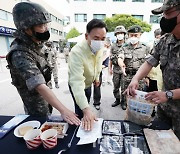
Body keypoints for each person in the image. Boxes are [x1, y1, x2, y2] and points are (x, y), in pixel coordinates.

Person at [6, 2, 80, 126]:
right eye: (41, 25)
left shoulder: (37, 43)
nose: (46, 28)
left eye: (46, 24)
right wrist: (64, 110)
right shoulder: (20, 52)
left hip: (47, 98)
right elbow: (39, 85)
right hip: (36, 105)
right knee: (40, 128)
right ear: (26, 28)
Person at [125, 0, 180, 139]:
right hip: (164, 108)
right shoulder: (165, 40)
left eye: (167, 13)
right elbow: (150, 62)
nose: (164, 18)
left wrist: (168, 94)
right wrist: (136, 79)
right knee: (158, 141)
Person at [68, 19, 107, 131]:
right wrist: (86, 109)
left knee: (86, 102)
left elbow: (98, 62)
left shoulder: (99, 48)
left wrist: (96, 77)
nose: (100, 42)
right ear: (86, 36)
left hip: (89, 83)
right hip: (78, 85)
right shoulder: (76, 52)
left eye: (103, 39)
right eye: (96, 38)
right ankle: (79, 131)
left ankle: (85, 120)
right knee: (81, 110)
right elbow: (77, 83)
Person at [119, 25, 150, 110]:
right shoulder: (124, 47)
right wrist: (121, 63)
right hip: (127, 74)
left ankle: (136, 107)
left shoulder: (145, 47)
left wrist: (147, 77)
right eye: (131, 35)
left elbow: (150, 62)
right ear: (128, 35)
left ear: (140, 35)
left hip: (140, 76)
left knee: (138, 93)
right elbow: (120, 57)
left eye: (136, 35)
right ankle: (124, 103)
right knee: (125, 91)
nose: (133, 37)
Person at [110, 25, 127, 107]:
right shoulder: (113, 46)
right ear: (115, 35)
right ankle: (117, 99)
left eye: (121, 33)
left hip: (124, 70)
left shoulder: (128, 45)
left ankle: (123, 102)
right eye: (118, 33)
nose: (120, 35)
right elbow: (111, 58)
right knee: (116, 86)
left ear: (124, 34)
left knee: (124, 87)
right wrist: (109, 69)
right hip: (116, 69)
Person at [93, 37, 111, 110]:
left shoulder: (106, 54)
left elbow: (106, 64)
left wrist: (99, 66)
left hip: (98, 72)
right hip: (88, 71)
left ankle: (97, 102)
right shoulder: (94, 50)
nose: (105, 47)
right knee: (86, 88)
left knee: (97, 87)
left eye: (107, 46)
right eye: (104, 45)